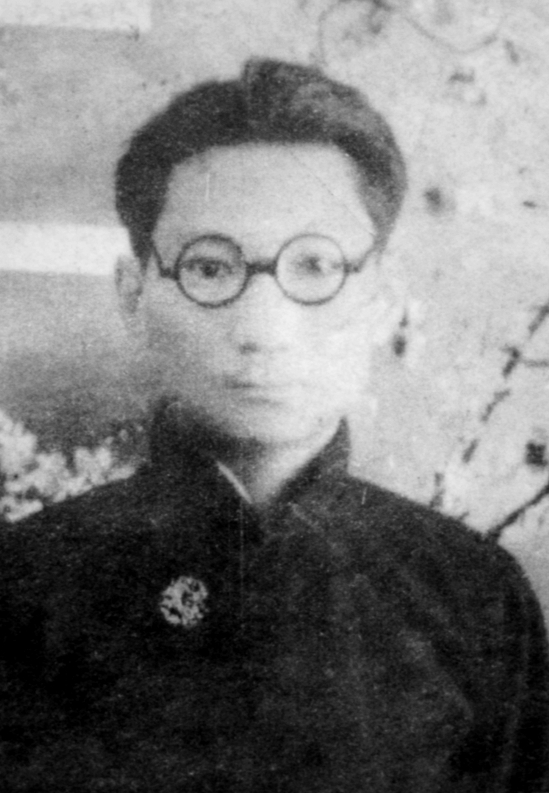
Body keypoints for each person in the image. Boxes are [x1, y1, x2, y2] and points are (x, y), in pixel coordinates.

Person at [1, 58, 548, 793]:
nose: (262, 328)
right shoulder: (26, 585)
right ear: (133, 294)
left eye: (316, 266)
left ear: (383, 297)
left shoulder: (473, 596)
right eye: (209, 268)